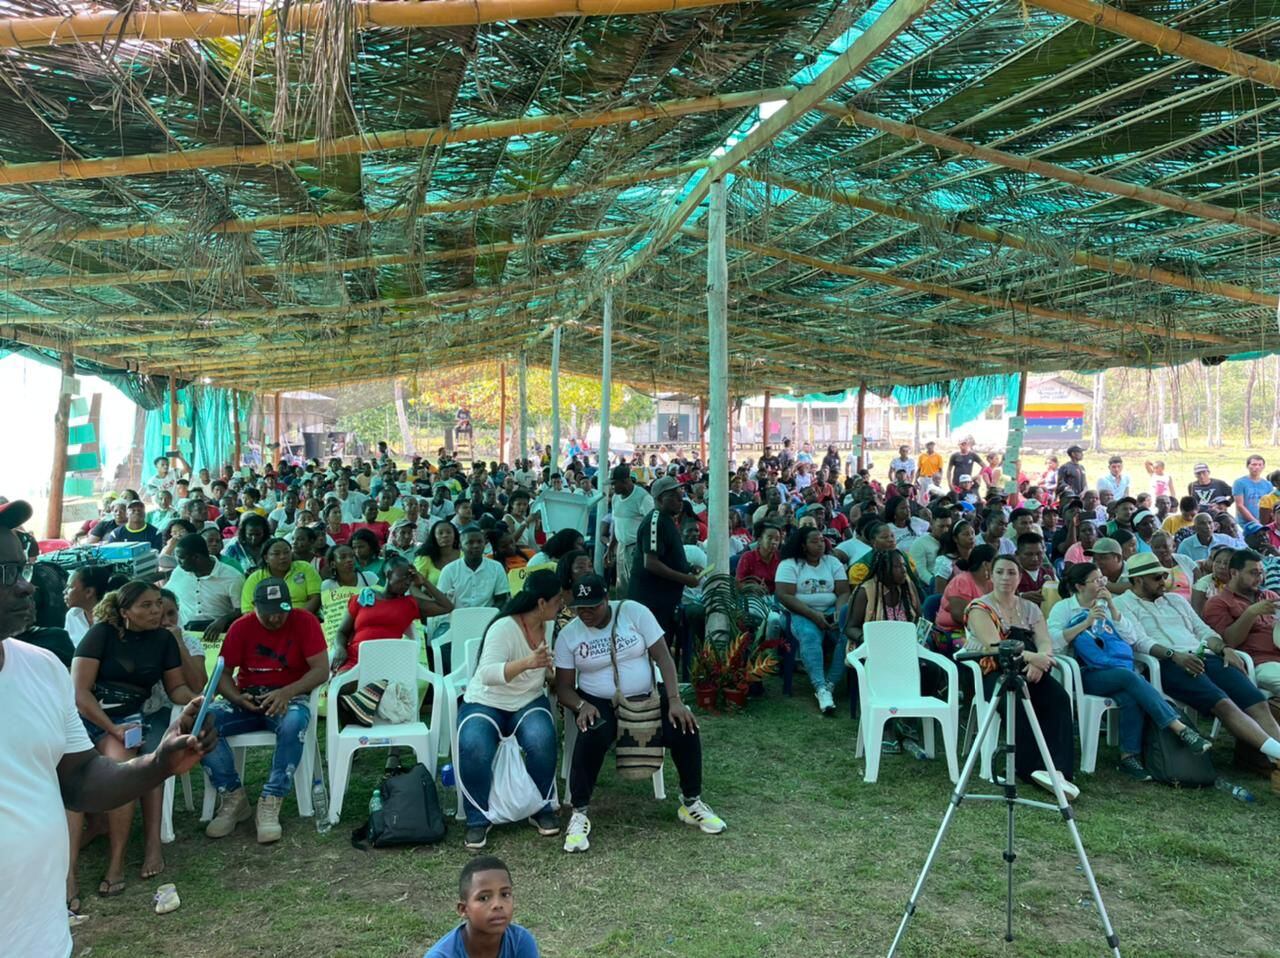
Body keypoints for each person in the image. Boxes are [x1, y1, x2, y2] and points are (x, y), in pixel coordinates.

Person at [554, 576, 725, 853]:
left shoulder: (633, 612)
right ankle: (580, 812)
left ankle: (691, 802)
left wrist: (675, 699)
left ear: (606, 600)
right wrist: (581, 706)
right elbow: (563, 687)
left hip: (647, 695)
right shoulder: (569, 635)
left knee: (685, 726)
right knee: (592, 732)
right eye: (579, 608)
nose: (585, 613)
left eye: (592, 607)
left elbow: (663, 657)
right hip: (599, 701)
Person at [68, 580, 200, 897]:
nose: (155, 610)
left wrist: (193, 700)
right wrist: (112, 729)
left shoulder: (163, 641)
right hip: (84, 717)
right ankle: (68, 875)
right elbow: (79, 693)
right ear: (125, 611)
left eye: (157, 603)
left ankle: (116, 863)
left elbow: (176, 689)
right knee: (70, 783)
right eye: (146, 605)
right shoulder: (102, 634)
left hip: (127, 717)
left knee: (122, 770)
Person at [1116, 553, 1280, 786]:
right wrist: (1176, 656)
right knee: (1223, 704)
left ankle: (1275, 757)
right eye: (1157, 577)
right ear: (1138, 580)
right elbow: (1140, 642)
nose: (1164, 580)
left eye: (1165, 575)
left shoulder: (1176, 600)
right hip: (1167, 663)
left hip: (1205, 656)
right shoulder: (1123, 604)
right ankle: (1278, 753)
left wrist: (1223, 649)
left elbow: (1203, 631)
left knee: (1256, 702)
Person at [1047, 562, 1208, 781]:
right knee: (1129, 677)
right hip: (1084, 673)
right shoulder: (1064, 608)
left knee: (1130, 695)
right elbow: (1054, 643)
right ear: (1079, 586)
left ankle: (1128, 757)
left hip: (1117, 671)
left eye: (1103, 579)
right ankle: (1179, 727)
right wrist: (1086, 622)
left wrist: (1113, 608)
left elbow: (1133, 638)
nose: (1102, 584)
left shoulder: (1108, 604)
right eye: (1096, 581)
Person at [200, 578, 329, 843]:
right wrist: (237, 698)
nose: (275, 619)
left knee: (293, 722)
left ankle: (272, 798)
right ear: (254, 607)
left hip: (290, 694)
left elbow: (321, 670)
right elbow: (222, 674)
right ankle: (233, 797)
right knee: (203, 722)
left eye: (281, 610)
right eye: (268, 613)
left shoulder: (305, 621)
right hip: (249, 695)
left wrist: (287, 692)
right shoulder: (241, 627)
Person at [456, 570, 562, 850]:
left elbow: (544, 669)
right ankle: (477, 818)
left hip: (527, 700)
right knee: (473, 743)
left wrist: (549, 673)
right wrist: (529, 663)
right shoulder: (504, 627)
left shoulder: (549, 625)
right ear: (541, 603)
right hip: (486, 700)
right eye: (557, 600)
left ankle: (540, 807)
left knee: (542, 737)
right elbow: (488, 673)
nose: (560, 604)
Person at [965, 554, 1077, 798]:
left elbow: (1044, 640)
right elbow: (994, 645)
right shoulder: (979, 607)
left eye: (1012, 572)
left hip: (1030, 667)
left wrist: (1042, 660)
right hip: (995, 670)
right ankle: (1030, 768)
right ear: (990, 575)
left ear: (1019, 577)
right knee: (1015, 701)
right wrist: (1033, 657)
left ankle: (1058, 769)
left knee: (1058, 698)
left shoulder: (1030, 608)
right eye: (1000, 572)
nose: (1006, 577)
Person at [776, 526, 851, 714]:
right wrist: (814, 615)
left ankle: (830, 684)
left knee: (847, 634)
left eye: (821, 540)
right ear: (803, 545)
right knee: (810, 636)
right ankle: (820, 688)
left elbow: (843, 592)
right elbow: (785, 596)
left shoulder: (832, 562)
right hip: (799, 612)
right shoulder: (789, 564)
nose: (820, 544)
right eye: (814, 541)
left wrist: (839, 613)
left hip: (831, 610)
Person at [424, 856, 540, 958]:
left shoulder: (520, 941)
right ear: (463, 909)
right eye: (483, 898)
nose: (497, 905)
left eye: (505, 894)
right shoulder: (442, 955)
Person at [628, 475, 699, 640]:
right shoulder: (655, 522)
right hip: (652, 600)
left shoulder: (667, 520)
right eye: (673, 496)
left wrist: (688, 567)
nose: (680, 499)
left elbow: (667, 555)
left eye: (680, 493)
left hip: (665, 600)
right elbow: (651, 563)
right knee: (652, 647)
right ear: (660, 499)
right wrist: (684, 578)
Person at [1203, 549, 1280, 697]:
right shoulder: (1218, 603)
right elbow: (1229, 642)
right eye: (1253, 573)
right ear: (1234, 573)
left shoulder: (1270, 595)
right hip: (1260, 663)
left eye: (1261, 573)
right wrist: (1251, 613)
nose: (1259, 578)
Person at [166, 532, 246, 639]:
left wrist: (223, 620)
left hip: (219, 635)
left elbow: (242, 610)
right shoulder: (179, 572)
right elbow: (166, 596)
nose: (178, 562)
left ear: (196, 557)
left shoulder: (232, 577)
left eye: (181, 558)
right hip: (186, 634)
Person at [933, 543, 996, 655]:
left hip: (980, 630)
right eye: (996, 562)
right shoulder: (962, 581)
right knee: (985, 650)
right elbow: (959, 615)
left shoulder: (991, 582)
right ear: (986, 564)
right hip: (951, 633)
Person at [240, 537, 322, 616]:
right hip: (267, 624)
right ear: (266, 558)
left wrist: (299, 619)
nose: (283, 557)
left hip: (303, 618)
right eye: (276, 554)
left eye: (286, 552)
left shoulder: (304, 568)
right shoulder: (255, 578)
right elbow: (248, 611)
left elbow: (316, 597)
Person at [439, 526, 511, 611]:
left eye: (480, 542)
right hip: (457, 618)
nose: (476, 545)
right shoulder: (449, 570)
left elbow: (501, 599)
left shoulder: (496, 567)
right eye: (470, 542)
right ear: (460, 546)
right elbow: (443, 601)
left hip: (488, 617)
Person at [608, 463, 654, 595]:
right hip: (621, 547)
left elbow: (652, 525)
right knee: (622, 585)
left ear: (625, 481)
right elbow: (617, 523)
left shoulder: (643, 498)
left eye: (614, 483)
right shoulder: (616, 498)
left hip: (636, 548)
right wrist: (611, 546)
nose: (612, 487)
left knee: (636, 586)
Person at [63, 565, 123, 646]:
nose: (64, 591)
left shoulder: (114, 619)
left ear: (89, 592)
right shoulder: (72, 616)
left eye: (70, 587)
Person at [907, 505, 952, 583]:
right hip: (930, 585)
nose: (945, 530)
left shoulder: (953, 541)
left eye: (948, 526)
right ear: (932, 523)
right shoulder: (920, 543)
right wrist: (937, 584)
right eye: (941, 526)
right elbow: (920, 572)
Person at [416, 518, 462, 586]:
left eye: (449, 532)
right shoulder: (424, 558)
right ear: (434, 537)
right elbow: (415, 587)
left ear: (455, 535)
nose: (445, 535)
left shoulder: (464, 557)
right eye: (440, 533)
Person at [1234, 455, 1270, 524]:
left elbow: (1270, 505)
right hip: (1245, 524)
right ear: (1248, 466)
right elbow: (1240, 505)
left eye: (1260, 465)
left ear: (1263, 467)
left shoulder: (1268, 484)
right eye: (1254, 464)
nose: (1257, 467)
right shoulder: (1239, 483)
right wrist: (1255, 522)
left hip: (1263, 522)